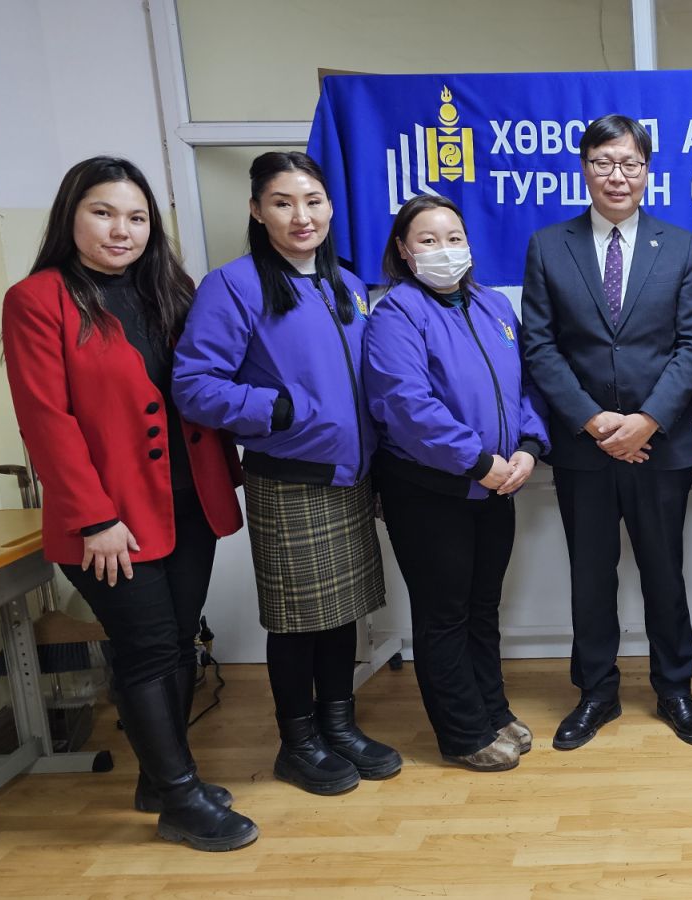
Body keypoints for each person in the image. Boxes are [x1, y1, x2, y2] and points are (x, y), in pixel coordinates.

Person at [1, 157, 257, 851]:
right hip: (109, 520)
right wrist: (94, 517)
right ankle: (179, 799)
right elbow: (45, 420)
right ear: (71, 217)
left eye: (137, 217)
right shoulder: (39, 299)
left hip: (188, 502)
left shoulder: (170, 291)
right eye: (104, 213)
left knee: (176, 642)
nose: (122, 229)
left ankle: (159, 777)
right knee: (145, 651)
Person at [173, 151, 402, 796]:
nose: (301, 216)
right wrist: (273, 407)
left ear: (331, 208)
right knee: (297, 617)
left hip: (351, 476)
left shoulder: (346, 286)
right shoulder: (233, 286)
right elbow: (193, 384)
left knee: (341, 611)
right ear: (256, 210)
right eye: (282, 202)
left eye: (313, 201)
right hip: (289, 476)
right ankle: (297, 741)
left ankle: (340, 726)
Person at [521, 113, 692, 750]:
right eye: (603, 162)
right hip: (585, 447)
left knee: (665, 571)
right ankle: (596, 692)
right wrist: (595, 419)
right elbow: (540, 345)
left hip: (660, 445)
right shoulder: (550, 245)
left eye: (630, 163)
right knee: (591, 574)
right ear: (584, 168)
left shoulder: (680, 245)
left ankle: (675, 690)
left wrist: (646, 421)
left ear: (647, 170)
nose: (617, 175)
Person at [363, 196, 549, 771]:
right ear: (402, 249)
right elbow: (405, 404)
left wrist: (526, 448)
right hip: (431, 490)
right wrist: (477, 461)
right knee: (445, 612)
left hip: (497, 484)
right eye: (427, 239)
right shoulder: (396, 313)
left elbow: (523, 390)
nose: (444, 250)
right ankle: (462, 732)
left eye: (453, 237)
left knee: (483, 607)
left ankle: (492, 708)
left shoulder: (493, 306)